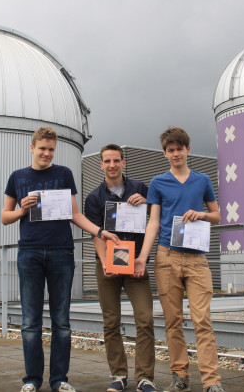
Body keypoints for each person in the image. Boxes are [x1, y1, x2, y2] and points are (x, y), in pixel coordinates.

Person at [2, 127, 119, 392]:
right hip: (29, 253)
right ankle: (31, 380)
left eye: (51, 149)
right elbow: (5, 216)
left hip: (61, 253)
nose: (46, 153)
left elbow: (74, 214)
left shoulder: (64, 174)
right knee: (30, 322)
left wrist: (100, 231)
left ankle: (59, 380)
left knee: (62, 322)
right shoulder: (17, 177)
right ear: (32, 147)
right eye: (42, 148)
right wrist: (23, 209)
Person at [135, 128, 225, 392]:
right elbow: (153, 222)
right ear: (165, 153)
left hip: (197, 259)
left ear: (188, 149)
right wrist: (143, 257)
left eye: (179, 148)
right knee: (173, 321)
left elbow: (217, 215)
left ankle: (211, 381)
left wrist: (201, 214)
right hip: (166, 257)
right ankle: (180, 377)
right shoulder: (158, 183)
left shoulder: (203, 180)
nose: (175, 153)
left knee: (202, 320)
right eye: (170, 150)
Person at [84, 145, 158, 392]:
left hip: (136, 262)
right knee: (111, 322)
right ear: (101, 165)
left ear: (123, 163)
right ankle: (118, 375)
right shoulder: (94, 197)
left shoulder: (140, 188)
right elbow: (95, 233)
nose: (112, 165)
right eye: (107, 161)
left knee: (145, 319)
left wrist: (147, 201)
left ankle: (145, 377)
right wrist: (105, 261)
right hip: (108, 264)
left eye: (116, 160)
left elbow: (158, 215)